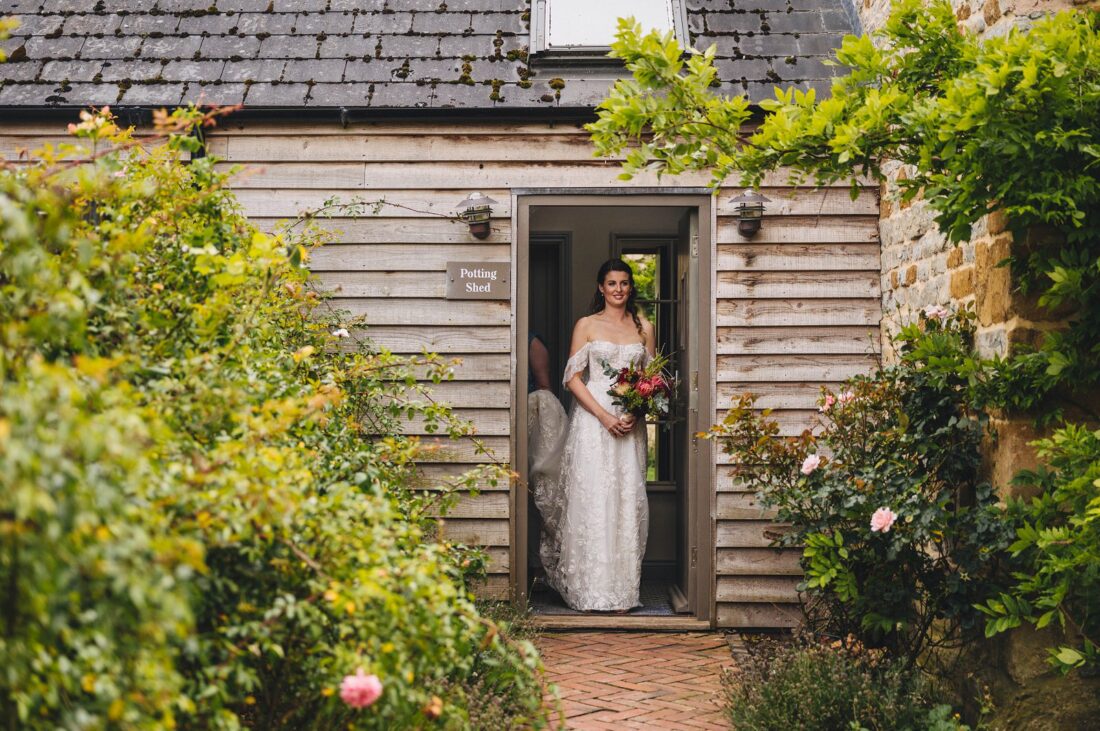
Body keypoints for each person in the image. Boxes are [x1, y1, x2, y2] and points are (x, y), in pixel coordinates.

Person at [542, 258, 655, 612]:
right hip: (593, 423)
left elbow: (651, 381)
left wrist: (635, 412)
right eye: (612, 283)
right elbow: (572, 378)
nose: (618, 289)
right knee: (593, 499)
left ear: (630, 287)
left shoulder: (645, 328)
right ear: (600, 288)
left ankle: (622, 592)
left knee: (625, 498)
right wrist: (605, 416)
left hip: (630, 426)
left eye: (624, 283)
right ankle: (587, 591)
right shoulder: (587, 325)